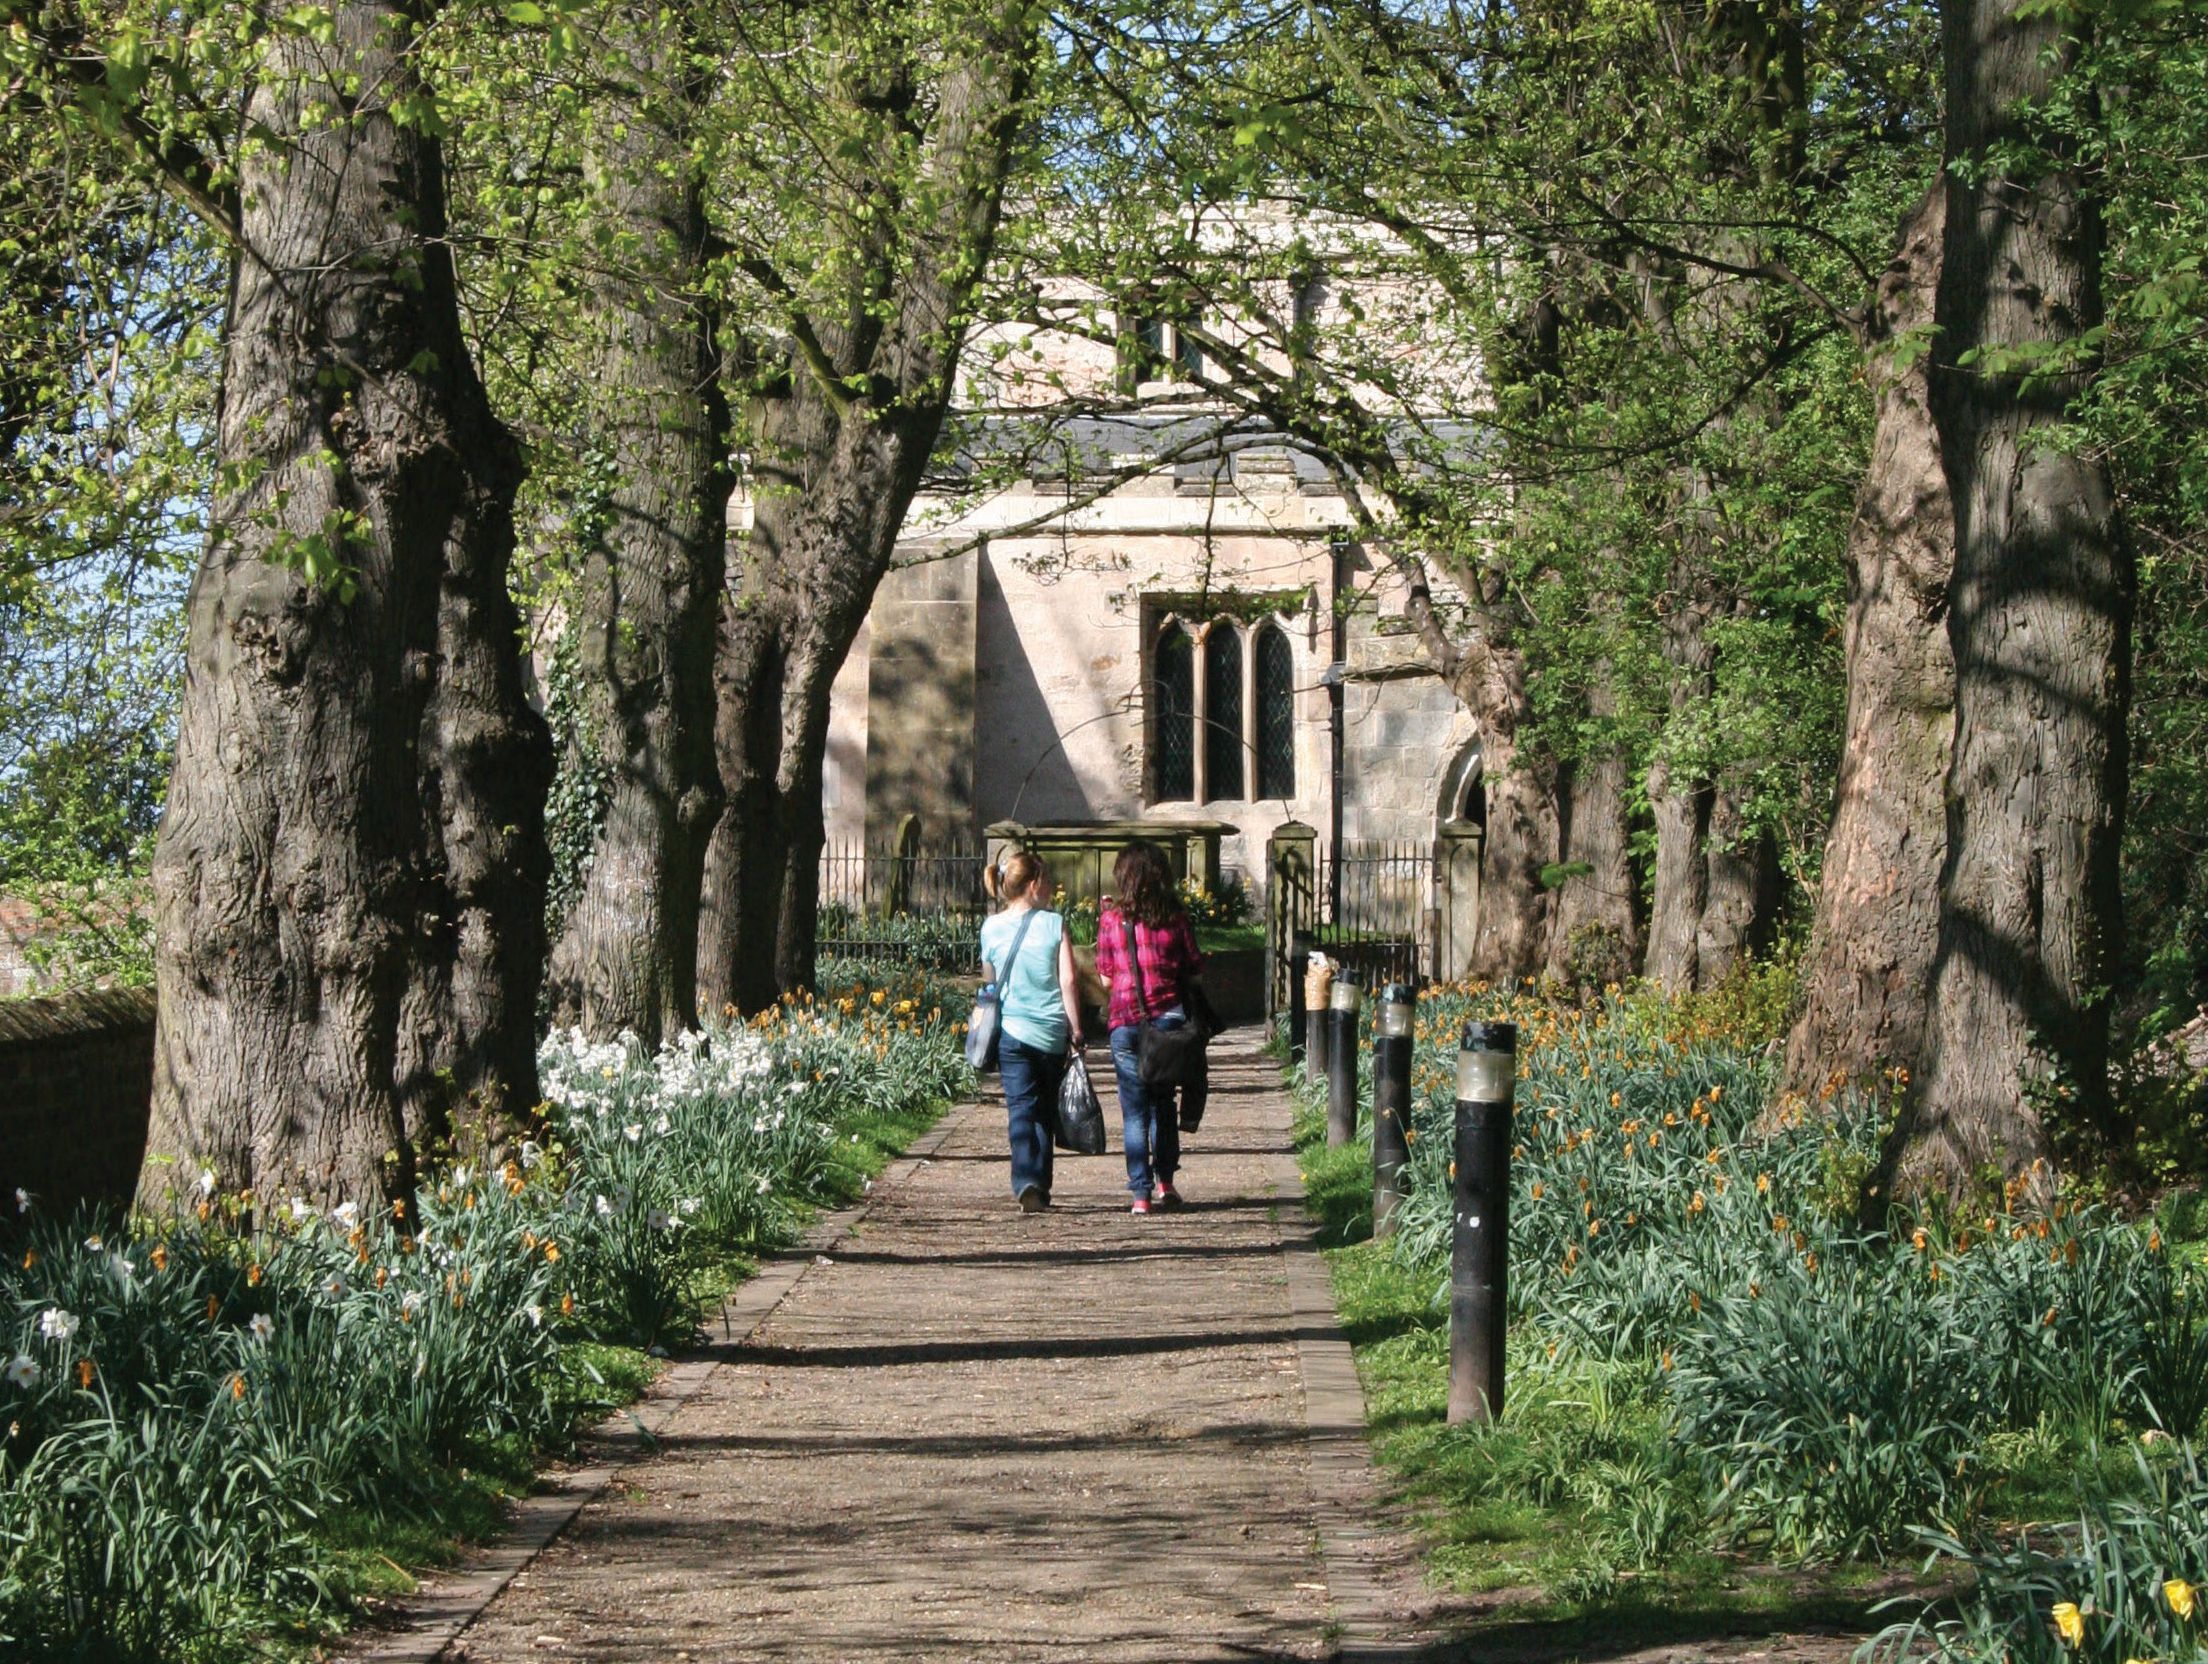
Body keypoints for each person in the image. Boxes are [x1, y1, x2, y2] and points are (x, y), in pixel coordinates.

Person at [1092, 840, 1207, 1215]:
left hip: (1125, 1022)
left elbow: (1107, 980)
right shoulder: (1175, 917)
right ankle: (1166, 1182)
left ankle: (1139, 1194)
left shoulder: (1111, 921)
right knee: (1162, 1103)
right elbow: (1194, 968)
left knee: (1133, 1109)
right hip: (1169, 1023)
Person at [979, 850, 1083, 1213]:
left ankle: (1026, 1180)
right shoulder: (1054, 924)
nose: (1053, 887)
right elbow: (1068, 980)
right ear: (1035, 884)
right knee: (1045, 1110)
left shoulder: (990, 928)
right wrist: (1077, 1027)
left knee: (1021, 1108)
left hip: (1011, 1032)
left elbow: (988, 984)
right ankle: (1039, 1181)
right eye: (1049, 880)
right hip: (1051, 1031)